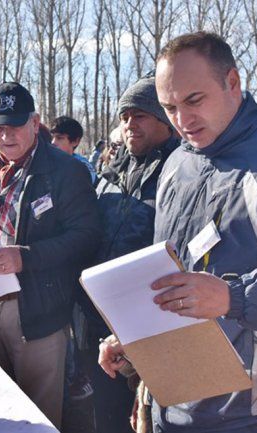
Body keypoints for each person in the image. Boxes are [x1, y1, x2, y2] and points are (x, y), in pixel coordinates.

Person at [99, 32, 257, 433]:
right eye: (170, 108)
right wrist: (136, 341)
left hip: (251, 416)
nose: (182, 121)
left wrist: (232, 297)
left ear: (232, 82)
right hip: (172, 406)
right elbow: (166, 279)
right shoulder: (178, 163)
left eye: (194, 101)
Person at [0, 82, 101, 428]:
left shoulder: (66, 171)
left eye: (14, 126)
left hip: (37, 312)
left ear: (34, 122)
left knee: (37, 416)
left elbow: (86, 238)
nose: (6, 136)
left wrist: (25, 256)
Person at [86, 76, 179, 433]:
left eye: (140, 115)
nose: (129, 124)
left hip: (152, 314)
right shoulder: (110, 172)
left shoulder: (178, 170)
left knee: (145, 415)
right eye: (124, 116)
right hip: (101, 314)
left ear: (164, 120)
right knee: (106, 412)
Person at [50, 116, 97, 183]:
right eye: (52, 137)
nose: (53, 142)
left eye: (59, 138)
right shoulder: (47, 163)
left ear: (75, 141)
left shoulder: (81, 167)